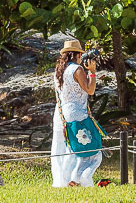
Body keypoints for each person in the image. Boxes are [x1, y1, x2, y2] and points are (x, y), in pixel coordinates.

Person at [51, 40, 103, 188]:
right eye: (81, 55)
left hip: (61, 114)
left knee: (66, 147)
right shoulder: (77, 70)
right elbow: (90, 90)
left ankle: (63, 180)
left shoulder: (59, 70)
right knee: (90, 148)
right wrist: (92, 72)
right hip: (77, 114)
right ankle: (79, 178)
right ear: (77, 55)